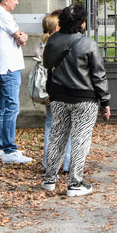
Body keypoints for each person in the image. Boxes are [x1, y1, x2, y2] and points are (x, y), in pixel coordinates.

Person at [42, 4, 110, 196]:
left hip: (59, 95)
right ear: (82, 23)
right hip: (84, 98)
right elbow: (99, 75)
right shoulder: (88, 44)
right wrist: (105, 101)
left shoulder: (53, 40)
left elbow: (47, 63)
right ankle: (75, 183)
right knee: (80, 139)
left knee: (57, 136)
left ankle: (50, 179)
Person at [0, 0, 32, 164]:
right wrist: (23, 36)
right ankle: (9, 149)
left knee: (2, 106)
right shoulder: (3, 15)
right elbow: (20, 37)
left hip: (2, 67)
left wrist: (23, 35)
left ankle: (0, 146)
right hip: (9, 67)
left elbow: (20, 36)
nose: (17, 2)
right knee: (12, 107)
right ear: (6, 0)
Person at [38, 11, 70, 173]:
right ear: (57, 27)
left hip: (47, 90)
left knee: (50, 125)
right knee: (68, 126)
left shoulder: (42, 44)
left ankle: (48, 163)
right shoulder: (58, 44)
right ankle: (66, 163)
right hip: (60, 88)